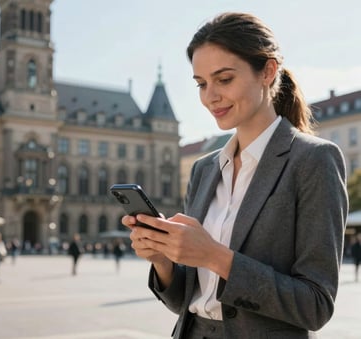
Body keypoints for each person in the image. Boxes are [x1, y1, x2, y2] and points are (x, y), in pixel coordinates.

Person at [122, 12, 348, 339]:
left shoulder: (313, 159)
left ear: (268, 72)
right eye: (201, 84)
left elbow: (316, 305)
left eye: (224, 79)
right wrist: (163, 260)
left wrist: (215, 256)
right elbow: (188, 300)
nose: (209, 96)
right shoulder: (205, 169)